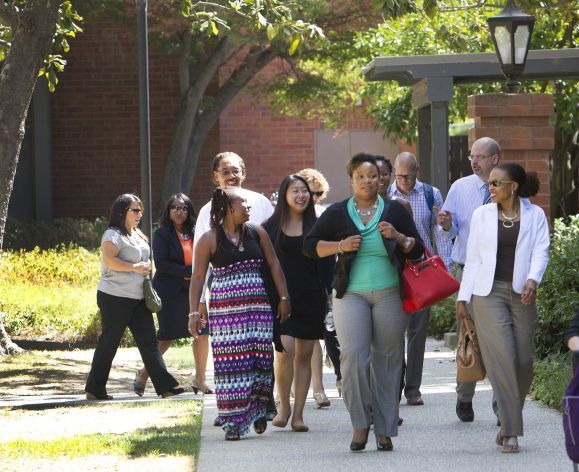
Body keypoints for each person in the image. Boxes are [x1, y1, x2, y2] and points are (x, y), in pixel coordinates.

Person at [304, 153, 424, 452]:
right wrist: (340, 246)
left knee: (388, 359)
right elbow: (309, 246)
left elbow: (418, 249)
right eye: (361, 176)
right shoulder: (337, 213)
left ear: (381, 179)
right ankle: (360, 423)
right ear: (351, 179)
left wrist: (398, 236)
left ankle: (385, 428)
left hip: (388, 292)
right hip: (351, 294)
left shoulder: (395, 210)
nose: (368, 181)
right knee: (354, 356)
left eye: (373, 176)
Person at [456, 163, 549, 453]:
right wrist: (463, 297)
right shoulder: (482, 215)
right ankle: (510, 430)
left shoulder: (535, 215)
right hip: (487, 294)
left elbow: (541, 250)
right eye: (490, 183)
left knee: (523, 363)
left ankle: (509, 418)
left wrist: (533, 280)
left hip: (522, 293)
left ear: (514, 187)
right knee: (503, 358)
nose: (491, 188)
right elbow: (472, 259)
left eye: (497, 183)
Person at [188, 188, 290, 440]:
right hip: (225, 315)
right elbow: (198, 276)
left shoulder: (257, 232)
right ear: (227, 210)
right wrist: (193, 310)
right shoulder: (210, 239)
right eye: (242, 204)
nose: (248, 207)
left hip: (258, 309)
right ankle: (233, 421)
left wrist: (284, 297)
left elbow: (274, 264)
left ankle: (258, 411)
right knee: (231, 364)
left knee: (260, 360)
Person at [193, 152, 275, 420]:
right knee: (230, 353)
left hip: (260, 289)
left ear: (244, 172)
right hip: (226, 297)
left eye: (236, 170)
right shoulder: (207, 211)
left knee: (261, 350)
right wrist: (200, 301)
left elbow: (274, 249)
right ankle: (230, 407)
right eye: (225, 171)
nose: (231, 175)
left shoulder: (261, 203)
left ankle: (261, 405)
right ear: (215, 176)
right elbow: (201, 262)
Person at [85, 194, 184, 400]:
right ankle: (94, 389)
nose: (140, 214)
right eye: (135, 210)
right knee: (109, 343)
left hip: (139, 298)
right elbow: (109, 261)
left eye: (141, 210)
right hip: (114, 297)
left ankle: (165, 387)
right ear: (122, 212)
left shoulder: (137, 235)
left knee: (149, 342)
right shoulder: (112, 235)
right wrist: (134, 267)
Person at [436, 136, 501, 422]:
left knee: (501, 339)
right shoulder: (460, 188)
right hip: (469, 272)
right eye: (471, 156)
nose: (474, 161)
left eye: (481, 156)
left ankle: (503, 405)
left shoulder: (510, 186)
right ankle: (465, 397)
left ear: (495, 159)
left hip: (501, 272)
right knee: (468, 336)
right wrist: (447, 225)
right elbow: (449, 232)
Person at [263, 175, 330, 432]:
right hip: (281, 299)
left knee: (304, 355)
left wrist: (329, 293)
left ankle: (299, 414)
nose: (301, 195)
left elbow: (328, 264)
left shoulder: (319, 226)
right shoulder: (270, 227)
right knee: (284, 352)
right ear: (284, 195)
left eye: (305, 191)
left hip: (311, 298)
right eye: (295, 191)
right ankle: (284, 407)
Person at [388, 152, 453, 407]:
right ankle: (395, 384)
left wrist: (445, 269)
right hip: (392, 269)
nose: (403, 180)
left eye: (409, 175)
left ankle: (413, 388)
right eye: (399, 175)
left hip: (421, 269)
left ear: (418, 171)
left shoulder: (431, 194)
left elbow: (439, 233)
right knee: (393, 332)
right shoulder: (385, 196)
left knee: (417, 332)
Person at [133, 194, 209, 395]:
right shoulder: (162, 234)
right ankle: (143, 374)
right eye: (174, 207)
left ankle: (200, 380)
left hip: (193, 292)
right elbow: (162, 264)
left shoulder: (196, 232)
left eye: (183, 208)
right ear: (168, 211)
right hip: (169, 292)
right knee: (167, 337)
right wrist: (191, 272)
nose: (178, 211)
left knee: (202, 332)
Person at [296, 168, 338, 406]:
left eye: (318, 192)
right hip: (294, 282)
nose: (313, 197)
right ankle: (290, 387)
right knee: (291, 341)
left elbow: (331, 253)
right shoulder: (287, 217)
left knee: (315, 337)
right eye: (308, 192)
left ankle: (319, 389)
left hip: (319, 279)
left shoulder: (324, 214)